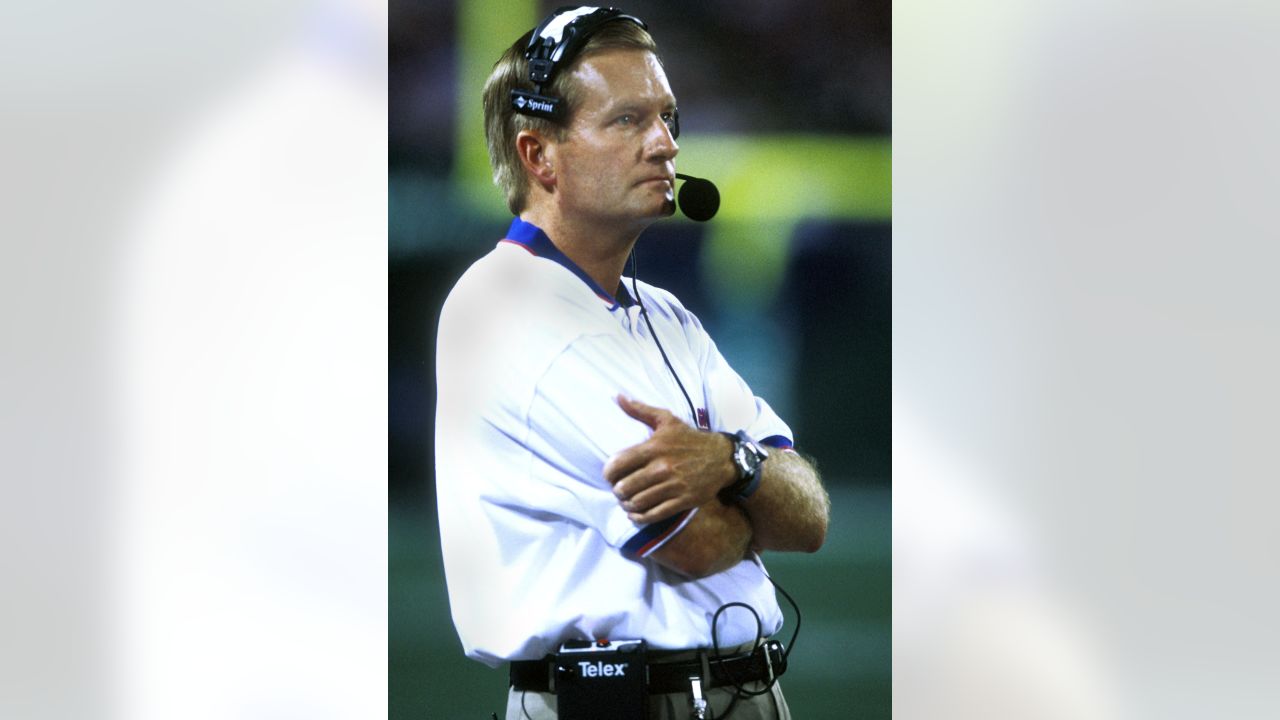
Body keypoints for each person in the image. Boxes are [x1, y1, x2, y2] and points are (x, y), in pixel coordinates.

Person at [434, 7, 830, 719]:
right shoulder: (511, 306)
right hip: (619, 703)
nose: (665, 144)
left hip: (733, 693)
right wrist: (751, 482)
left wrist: (728, 465)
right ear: (538, 155)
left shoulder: (666, 315)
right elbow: (698, 543)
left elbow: (808, 517)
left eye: (668, 117)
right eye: (627, 120)